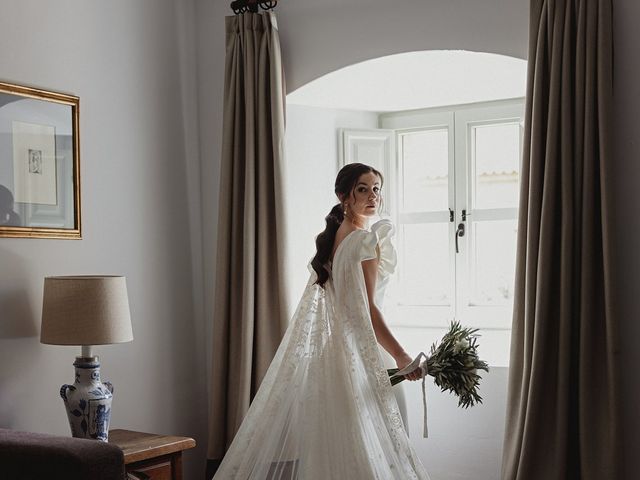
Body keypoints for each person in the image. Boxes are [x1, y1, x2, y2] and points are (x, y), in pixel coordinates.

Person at [213, 163, 429, 479]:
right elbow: (368, 311)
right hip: (366, 355)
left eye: (376, 188)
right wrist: (402, 356)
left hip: (334, 357)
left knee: (340, 447)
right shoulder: (364, 241)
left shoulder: (336, 238)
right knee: (386, 448)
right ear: (343, 195)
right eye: (362, 189)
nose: (373, 196)